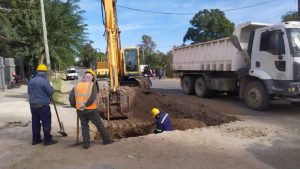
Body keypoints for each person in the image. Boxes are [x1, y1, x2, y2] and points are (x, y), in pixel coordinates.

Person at [69, 71, 114, 149]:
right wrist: (85, 105)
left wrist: (75, 105)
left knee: (84, 126)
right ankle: (106, 140)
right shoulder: (92, 85)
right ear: (92, 77)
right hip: (91, 110)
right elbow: (92, 98)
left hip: (80, 110)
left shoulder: (77, 85)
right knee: (99, 125)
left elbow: (71, 98)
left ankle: (86, 144)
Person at [28, 64, 57, 146]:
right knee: (46, 122)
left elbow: (29, 92)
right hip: (43, 105)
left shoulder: (31, 80)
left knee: (35, 123)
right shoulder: (44, 81)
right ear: (45, 72)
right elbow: (50, 92)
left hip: (33, 105)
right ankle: (47, 140)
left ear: (37, 71)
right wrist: (51, 87)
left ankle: (35, 139)